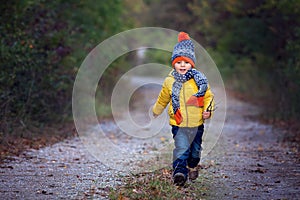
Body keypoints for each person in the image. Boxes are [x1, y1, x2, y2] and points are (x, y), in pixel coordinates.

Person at [152, 32, 214, 186]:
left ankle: (192, 165)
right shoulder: (169, 81)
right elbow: (163, 97)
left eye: (186, 62)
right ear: (174, 64)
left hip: (196, 123)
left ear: (191, 64)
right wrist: (157, 110)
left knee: (194, 152)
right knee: (181, 148)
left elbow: (208, 97)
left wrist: (208, 110)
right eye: (179, 62)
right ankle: (180, 173)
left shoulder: (199, 80)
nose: (182, 65)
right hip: (178, 123)